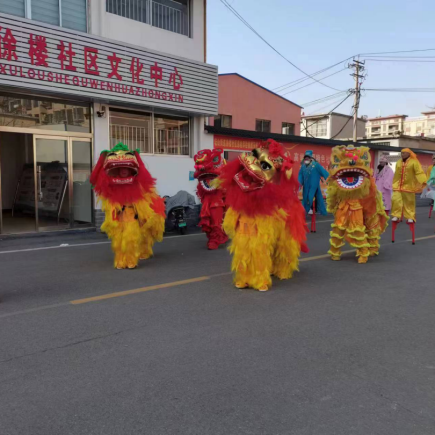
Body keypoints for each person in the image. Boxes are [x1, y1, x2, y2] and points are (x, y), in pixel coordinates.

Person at [217, 139, 308, 292]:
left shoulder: (274, 190)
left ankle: (263, 278)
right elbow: (234, 210)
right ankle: (244, 277)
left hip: (265, 218)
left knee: (264, 248)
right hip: (246, 223)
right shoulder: (242, 192)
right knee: (243, 250)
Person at [90, 143, 165, 269]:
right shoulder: (111, 186)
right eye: (121, 168)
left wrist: (138, 158)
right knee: (118, 241)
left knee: (131, 239)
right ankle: (120, 261)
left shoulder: (137, 183)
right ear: (117, 170)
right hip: (117, 218)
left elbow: (147, 179)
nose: (124, 170)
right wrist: (102, 159)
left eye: (126, 168)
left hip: (132, 216)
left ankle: (131, 260)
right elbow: (94, 180)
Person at [327, 145, 388, 264]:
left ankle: (363, 253)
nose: (350, 163)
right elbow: (333, 194)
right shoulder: (336, 182)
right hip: (342, 207)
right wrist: (332, 205)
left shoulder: (366, 182)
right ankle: (335, 252)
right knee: (338, 229)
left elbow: (369, 194)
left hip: (357, 207)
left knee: (358, 229)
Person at [193, 148, 228, 250]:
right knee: (208, 222)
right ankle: (213, 238)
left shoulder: (222, 179)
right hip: (206, 203)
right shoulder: (204, 180)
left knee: (217, 222)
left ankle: (216, 239)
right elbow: (201, 190)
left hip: (217, 203)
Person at [391, 148, 427, 223]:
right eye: (401, 153)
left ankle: (410, 217)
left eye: (404, 153)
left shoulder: (414, 162)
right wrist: (394, 183)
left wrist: (423, 181)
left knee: (409, 202)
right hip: (398, 186)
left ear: (408, 154)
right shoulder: (398, 162)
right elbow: (396, 174)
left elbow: (419, 172)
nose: (402, 154)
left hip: (409, 186)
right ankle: (396, 215)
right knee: (395, 200)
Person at [298, 150, 329, 215]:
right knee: (305, 197)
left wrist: (329, 179)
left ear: (310, 158)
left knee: (310, 196)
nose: (306, 159)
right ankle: (305, 211)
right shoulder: (303, 166)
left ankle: (309, 210)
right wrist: (299, 184)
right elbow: (300, 176)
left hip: (314, 185)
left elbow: (323, 172)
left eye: (308, 158)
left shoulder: (316, 165)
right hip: (306, 185)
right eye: (305, 158)